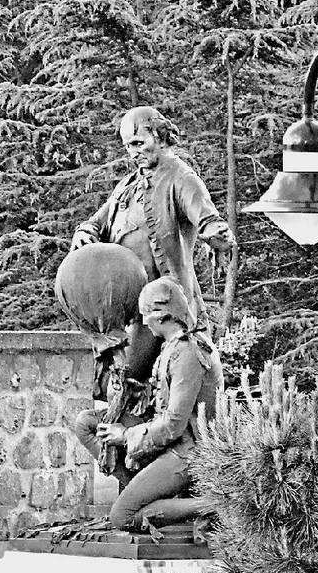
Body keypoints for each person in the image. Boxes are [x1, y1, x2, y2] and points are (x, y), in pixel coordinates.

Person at [71, 106, 234, 379]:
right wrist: (84, 232)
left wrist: (217, 236)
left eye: (138, 143)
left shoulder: (180, 177)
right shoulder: (129, 183)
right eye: (128, 146)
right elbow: (96, 221)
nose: (133, 152)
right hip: (125, 306)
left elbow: (207, 218)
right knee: (116, 379)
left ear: (160, 136)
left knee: (130, 376)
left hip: (163, 304)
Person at [75, 276, 222, 533]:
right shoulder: (174, 346)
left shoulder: (188, 352)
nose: (144, 323)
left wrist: (126, 435)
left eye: (146, 315)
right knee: (87, 423)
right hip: (172, 440)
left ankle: (213, 505)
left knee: (122, 517)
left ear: (162, 315)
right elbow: (162, 404)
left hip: (188, 451)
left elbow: (173, 426)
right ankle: (141, 491)